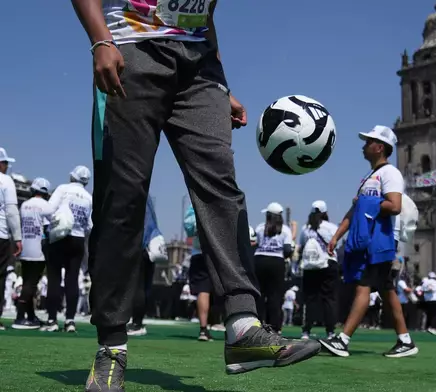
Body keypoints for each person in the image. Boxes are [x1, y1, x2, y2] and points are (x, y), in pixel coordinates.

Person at [71, 0, 320, 388]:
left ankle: (242, 325)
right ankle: (112, 346)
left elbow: (205, 12)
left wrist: (225, 87)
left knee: (222, 188)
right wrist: (100, 39)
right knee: (122, 199)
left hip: (200, 65)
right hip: (131, 47)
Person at [320, 125, 418, 358]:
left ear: (380, 147)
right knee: (386, 289)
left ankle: (343, 340)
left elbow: (394, 205)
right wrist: (336, 236)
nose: (364, 145)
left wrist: (367, 203)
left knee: (364, 285)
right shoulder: (369, 178)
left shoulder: (390, 173)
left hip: (381, 239)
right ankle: (405, 341)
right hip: (372, 239)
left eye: (368, 141)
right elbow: (354, 211)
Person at [41, 166, 93, 333]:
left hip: (59, 237)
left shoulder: (63, 189)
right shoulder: (88, 197)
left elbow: (48, 209)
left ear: (72, 177)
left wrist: (54, 223)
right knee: (72, 281)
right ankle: (70, 321)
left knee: (55, 278)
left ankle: (52, 319)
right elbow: (89, 226)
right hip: (77, 239)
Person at [12, 178, 55, 330]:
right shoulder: (47, 206)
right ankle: (19, 317)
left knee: (26, 281)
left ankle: (30, 316)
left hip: (25, 247)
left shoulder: (24, 205)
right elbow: (52, 227)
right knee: (31, 284)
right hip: (39, 249)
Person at [299, 200, 339, 340]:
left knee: (311, 299)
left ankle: (306, 331)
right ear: (325, 212)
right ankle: (330, 332)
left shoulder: (306, 229)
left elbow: (302, 247)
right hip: (328, 264)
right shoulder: (332, 227)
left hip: (311, 266)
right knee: (329, 299)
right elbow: (336, 245)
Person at [127, 195, 166, 337]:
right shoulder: (147, 199)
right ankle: (137, 321)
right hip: (151, 244)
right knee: (144, 286)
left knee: (137, 286)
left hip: (138, 245)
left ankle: (136, 322)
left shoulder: (131, 194)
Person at [254, 202, 293, 332]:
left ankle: (258, 325)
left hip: (259, 260)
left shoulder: (260, 227)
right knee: (275, 297)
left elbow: (256, 244)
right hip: (277, 262)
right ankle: (275, 328)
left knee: (259, 295)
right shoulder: (286, 229)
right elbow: (287, 249)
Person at [182, 203, 216, 341]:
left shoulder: (195, 203)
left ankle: (203, 329)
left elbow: (188, 226)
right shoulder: (220, 199)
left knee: (203, 290)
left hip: (199, 252)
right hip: (217, 253)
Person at [0, 147, 22, 331]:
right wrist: (17, 237)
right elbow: (11, 211)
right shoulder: (6, 181)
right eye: (5, 163)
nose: (7, 166)